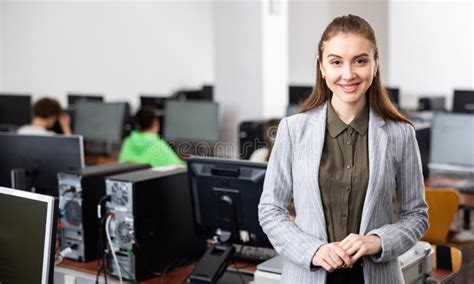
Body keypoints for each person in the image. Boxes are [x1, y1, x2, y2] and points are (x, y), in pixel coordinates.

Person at [258, 15, 428, 284]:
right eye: (336, 62)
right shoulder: (293, 130)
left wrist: (377, 241)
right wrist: (313, 250)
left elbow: (417, 216)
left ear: (375, 65)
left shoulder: (400, 134)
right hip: (308, 274)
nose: (348, 74)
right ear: (322, 67)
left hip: (376, 275)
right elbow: (270, 209)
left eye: (360, 60)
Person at [119, 106, 184, 167]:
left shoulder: (127, 141)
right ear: (156, 123)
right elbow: (179, 167)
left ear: (137, 125)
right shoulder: (157, 144)